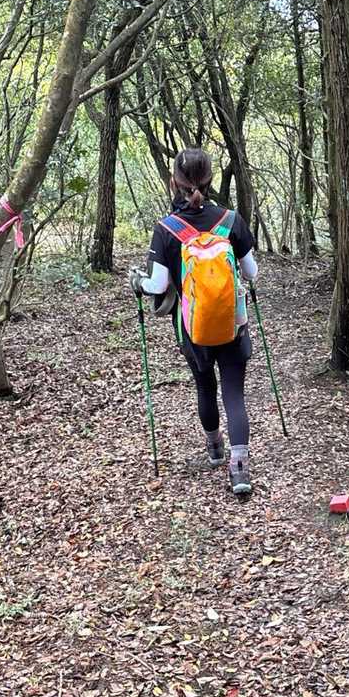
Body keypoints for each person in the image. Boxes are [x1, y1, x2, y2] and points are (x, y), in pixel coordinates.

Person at [130, 148, 259, 496]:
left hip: (192, 328)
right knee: (234, 392)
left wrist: (137, 282)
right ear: (210, 179)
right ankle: (240, 468)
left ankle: (215, 448)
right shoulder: (231, 220)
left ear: (174, 182)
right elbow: (251, 273)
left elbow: (158, 285)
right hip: (233, 324)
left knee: (205, 386)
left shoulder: (167, 229)